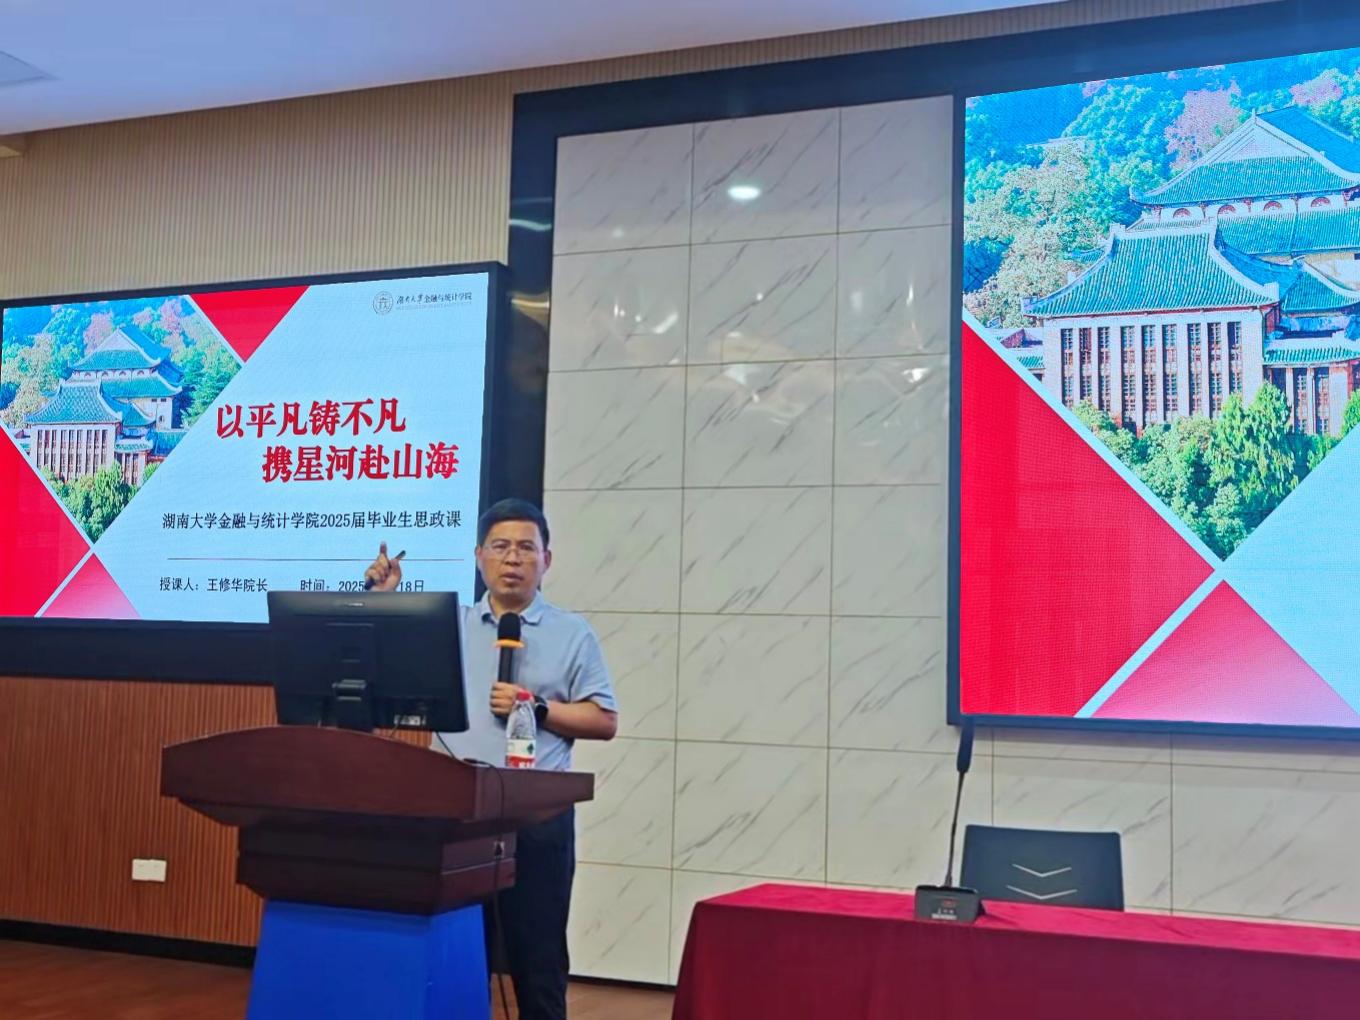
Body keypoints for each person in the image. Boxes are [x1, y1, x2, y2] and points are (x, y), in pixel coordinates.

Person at [363, 497, 617, 1020]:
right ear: (479, 557)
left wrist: (538, 708)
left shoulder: (573, 633)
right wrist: (382, 600)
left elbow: (603, 720)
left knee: (538, 959)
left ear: (547, 560)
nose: (513, 558)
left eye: (526, 547)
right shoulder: (447, 626)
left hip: (538, 818)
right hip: (456, 816)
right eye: (500, 546)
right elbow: (386, 671)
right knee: (458, 954)